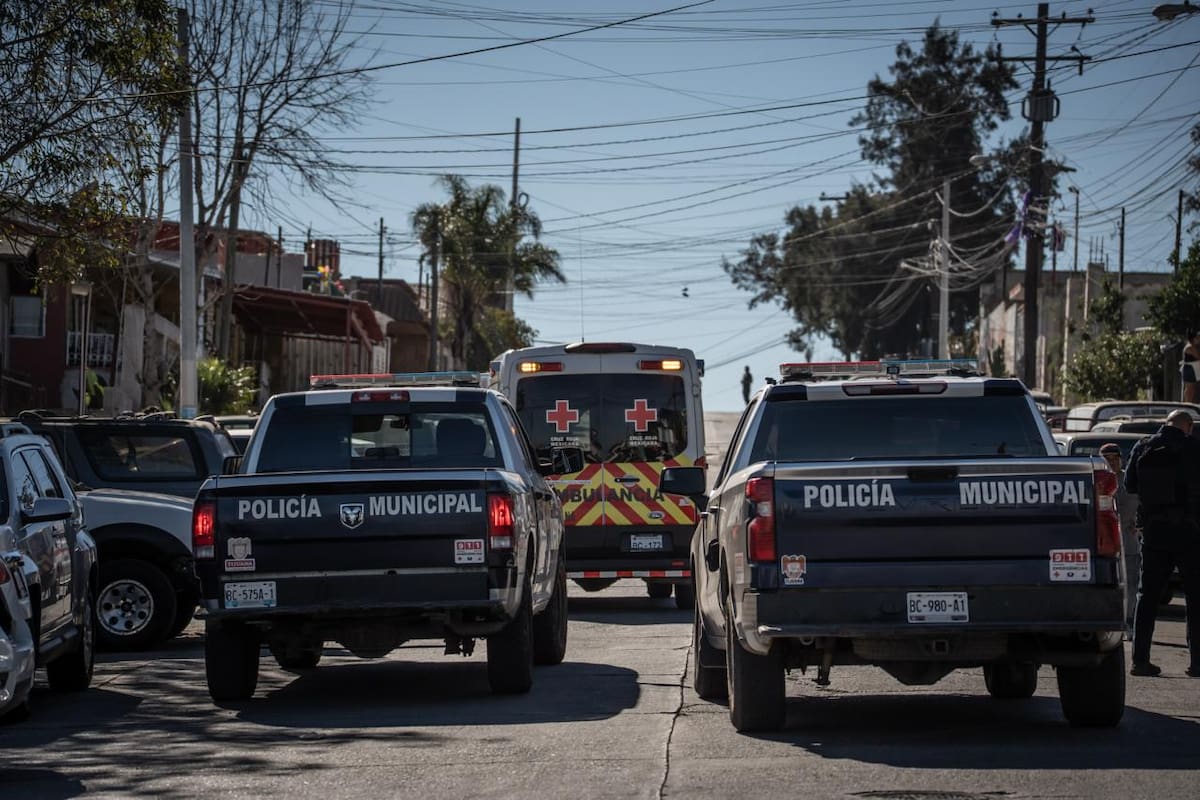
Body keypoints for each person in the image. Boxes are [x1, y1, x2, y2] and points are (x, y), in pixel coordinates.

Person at [1123, 410, 1200, 677]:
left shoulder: (1144, 445)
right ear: (1187, 426)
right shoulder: (1195, 448)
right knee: (1195, 596)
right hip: (1190, 533)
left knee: (1147, 597)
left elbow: (1129, 484)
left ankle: (1140, 660)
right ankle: (1197, 663)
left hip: (1155, 532)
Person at [1101, 442, 1139, 634]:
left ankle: (1129, 622)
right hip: (1105, 545)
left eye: (1115, 458)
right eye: (1107, 459)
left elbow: (1143, 505)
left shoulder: (1131, 480)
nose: (1112, 462)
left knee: (1131, 585)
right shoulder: (1095, 481)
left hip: (1129, 543)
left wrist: (1140, 525)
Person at [1182, 331, 1200, 403]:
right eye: (1197, 338)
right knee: (1190, 388)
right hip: (1190, 369)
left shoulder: (1194, 346)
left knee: (1192, 388)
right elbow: (1198, 356)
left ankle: (1189, 402)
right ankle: (1187, 403)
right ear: (1193, 339)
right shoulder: (1190, 347)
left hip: (1194, 369)